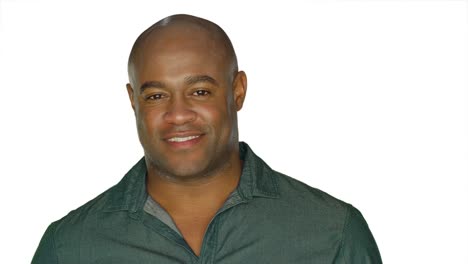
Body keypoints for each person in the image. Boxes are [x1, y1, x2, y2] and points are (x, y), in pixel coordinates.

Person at [32, 14, 382, 263]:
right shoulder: (69, 248)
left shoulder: (332, 235)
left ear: (237, 91)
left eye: (199, 91)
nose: (178, 114)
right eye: (156, 96)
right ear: (133, 101)